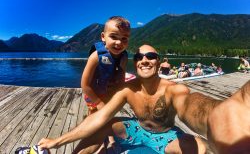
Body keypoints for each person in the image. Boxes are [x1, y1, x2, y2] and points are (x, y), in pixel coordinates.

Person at [38, 45, 250, 154]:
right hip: (136, 130)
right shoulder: (127, 90)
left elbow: (189, 105)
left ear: (159, 63)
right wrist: (58, 141)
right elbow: (100, 116)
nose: (145, 60)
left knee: (202, 148)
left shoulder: (174, 90)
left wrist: (216, 116)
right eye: (139, 57)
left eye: (151, 57)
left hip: (166, 136)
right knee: (104, 124)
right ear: (135, 62)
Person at [81, 16, 131, 153]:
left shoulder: (124, 57)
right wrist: (98, 102)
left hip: (109, 92)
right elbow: (84, 84)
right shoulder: (96, 56)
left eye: (124, 39)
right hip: (93, 93)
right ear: (103, 37)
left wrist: (119, 95)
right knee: (95, 117)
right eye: (114, 37)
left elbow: (121, 78)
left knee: (109, 115)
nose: (119, 42)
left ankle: (111, 139)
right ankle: (95, 139)